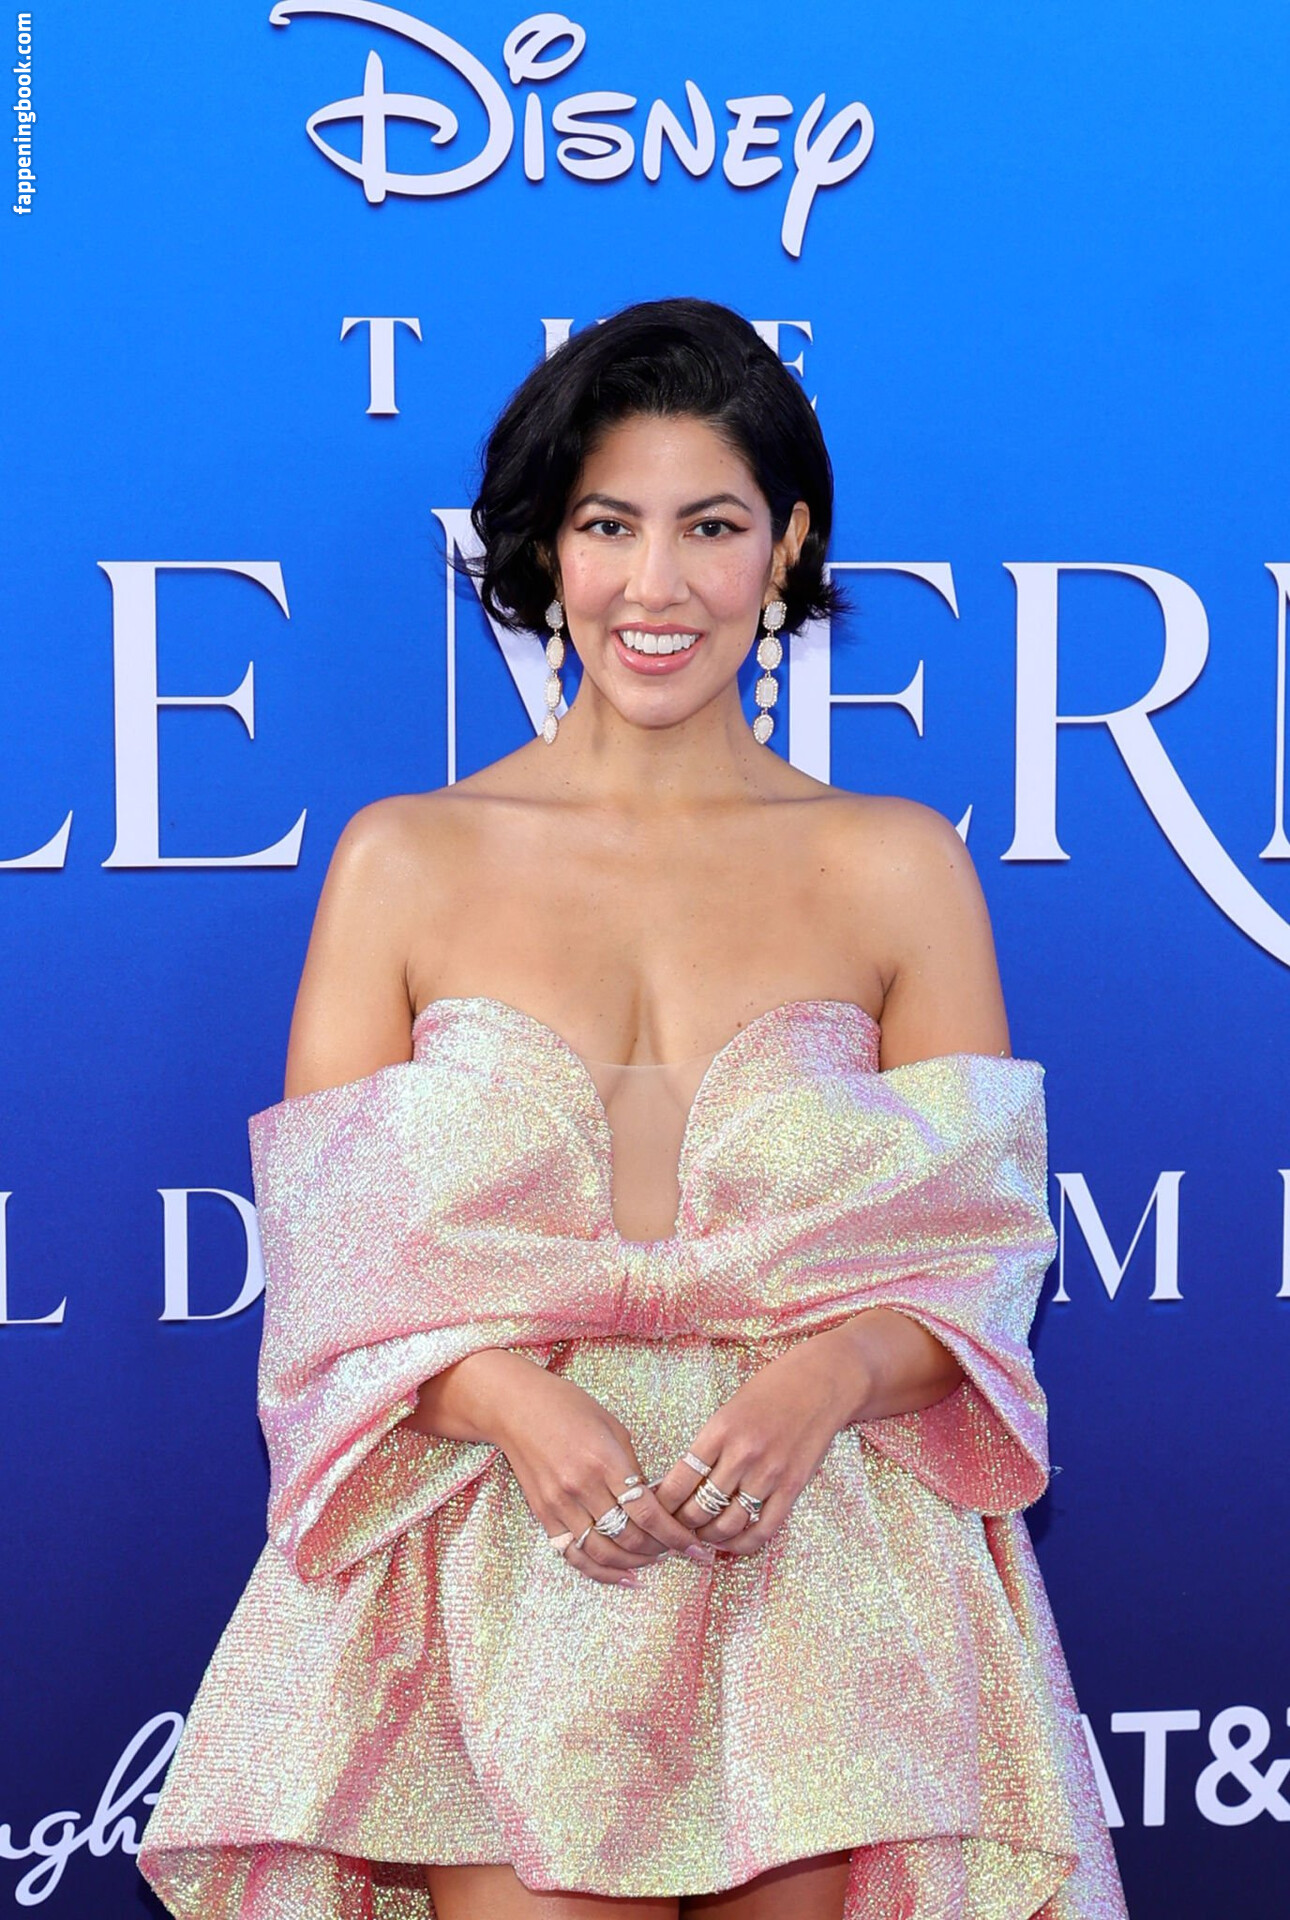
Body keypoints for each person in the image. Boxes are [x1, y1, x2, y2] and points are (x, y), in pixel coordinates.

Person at [138, 297, 1128, 1920]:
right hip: (500, 1558)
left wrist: (825, 1378)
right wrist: (508, 1403)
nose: (654, 586)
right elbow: (337, 1273)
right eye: (609, 525)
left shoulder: (899, 867)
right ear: (547, 545)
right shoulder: (404, 861)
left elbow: (969, 1272)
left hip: (820, 1552)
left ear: (786, 546)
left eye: (709, 527)